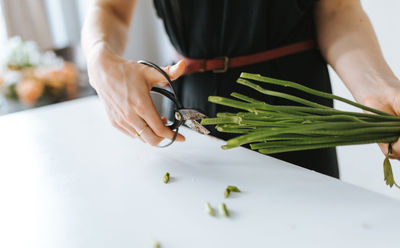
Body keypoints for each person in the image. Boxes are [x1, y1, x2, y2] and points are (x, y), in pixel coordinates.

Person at [82, 0, 400, 178]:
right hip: (191, 109)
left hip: (294, 118)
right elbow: (111, 10)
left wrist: (380, 90)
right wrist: (98, 58)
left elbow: (335, 10)